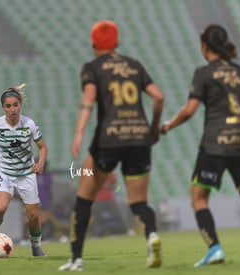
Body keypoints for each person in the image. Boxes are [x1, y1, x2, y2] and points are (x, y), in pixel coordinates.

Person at [161, 24, 240, 267]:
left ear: (205, 46)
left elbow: (190, 110)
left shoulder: (204, 73)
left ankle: (214, 248)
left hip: (215, 143)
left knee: (198, 198)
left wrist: (167, 126)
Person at [59, 20, 164, 271]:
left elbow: (89, 99)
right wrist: (153, 127)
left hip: (109, 139)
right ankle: (151, 234)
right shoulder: (134, 65)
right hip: (139, 138)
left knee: (84, 197)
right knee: (138, 203)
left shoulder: (92, 68)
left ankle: (76, 259)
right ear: (116, 42)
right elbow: (158, 97)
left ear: (94, 43)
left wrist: (78, 133)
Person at [0, 84, 48, 257]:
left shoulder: (29, 124)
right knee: (1, 207)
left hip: (26, 174)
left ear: (20, 104)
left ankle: (36, 246)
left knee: (34, 216)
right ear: (3, 107)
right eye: (8, 106)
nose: (12, 109)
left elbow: (43, 147)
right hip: (4, 172)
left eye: (16, 105)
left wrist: (41, 162)